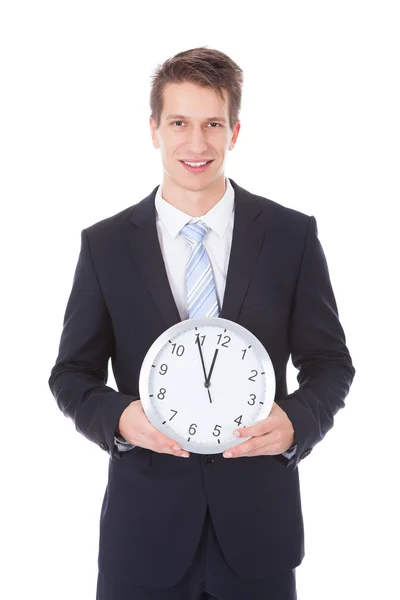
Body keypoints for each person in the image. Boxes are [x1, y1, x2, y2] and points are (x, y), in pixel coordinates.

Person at [48, 46, 356, 600]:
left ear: (234, 131)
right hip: (143, 537)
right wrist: (120, 419)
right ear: (154, 129)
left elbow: (330, 362)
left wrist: (297, 422)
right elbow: (72, 373)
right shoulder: (106, 245)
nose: (196, 143)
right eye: (179, 123)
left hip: (259, 535)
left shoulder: (290, 237)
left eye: (212, 123)